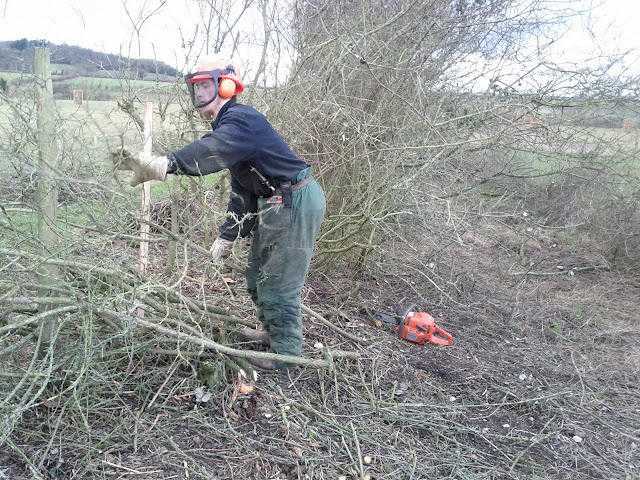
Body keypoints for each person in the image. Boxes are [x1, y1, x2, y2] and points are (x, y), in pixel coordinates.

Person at [114, 58, 326, 369]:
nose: (199, 92)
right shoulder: (231, 128)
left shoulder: (241, 121)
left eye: (204, 85)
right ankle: (272, 333)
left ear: (226, 86)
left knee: (277, 282)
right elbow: (242, 189)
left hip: (294, 199)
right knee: (257, 276)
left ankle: (286, 355)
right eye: (195, 86)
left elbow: (210, 150)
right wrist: (228, 235)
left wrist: (165, 164)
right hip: (276, 200)